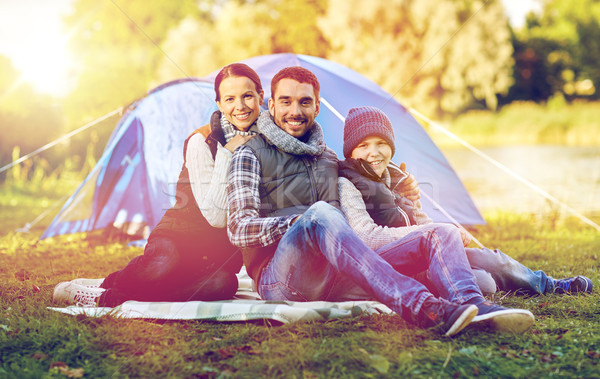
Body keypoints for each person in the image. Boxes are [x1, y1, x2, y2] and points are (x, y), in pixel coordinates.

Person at [226, 66, 534, 337]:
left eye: (305, 101)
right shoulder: (249, 154)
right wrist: (301, 223)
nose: (296, 110)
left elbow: (365, 177)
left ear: (317, 106)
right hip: (281, 279)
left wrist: (400, 188)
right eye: (286, 101)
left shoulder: (330, 158)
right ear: (271, 104)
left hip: (336, 272)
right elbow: (239, 229)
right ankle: (424, 309)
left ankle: (473, 305)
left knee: (440, 233)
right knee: (320, 214)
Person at [53, 63, 265, 307]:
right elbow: (216, 217)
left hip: (218, 256)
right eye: (230, 99)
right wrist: (227, 153)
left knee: (222, 285)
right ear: (219, 104)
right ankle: (103, 294)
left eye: (247, 96)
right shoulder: (202, 141)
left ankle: (111, 284)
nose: (239, 106)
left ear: (260, 96)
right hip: (179, 237)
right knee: (162, 264)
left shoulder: (269, 142)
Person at [337, 106, 593, 297]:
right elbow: (366, 236)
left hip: (431, 249)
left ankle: (549, 284)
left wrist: (445, 233)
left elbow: (419, 218)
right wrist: (437, 233)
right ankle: (467, 285)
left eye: (381, 143)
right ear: (351, 151)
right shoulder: (347, 183)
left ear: (391, 147)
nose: (374, 152)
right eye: (364, 145)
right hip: (396, 263)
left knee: (494, 260)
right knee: (485, 284)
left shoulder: (396, 178)